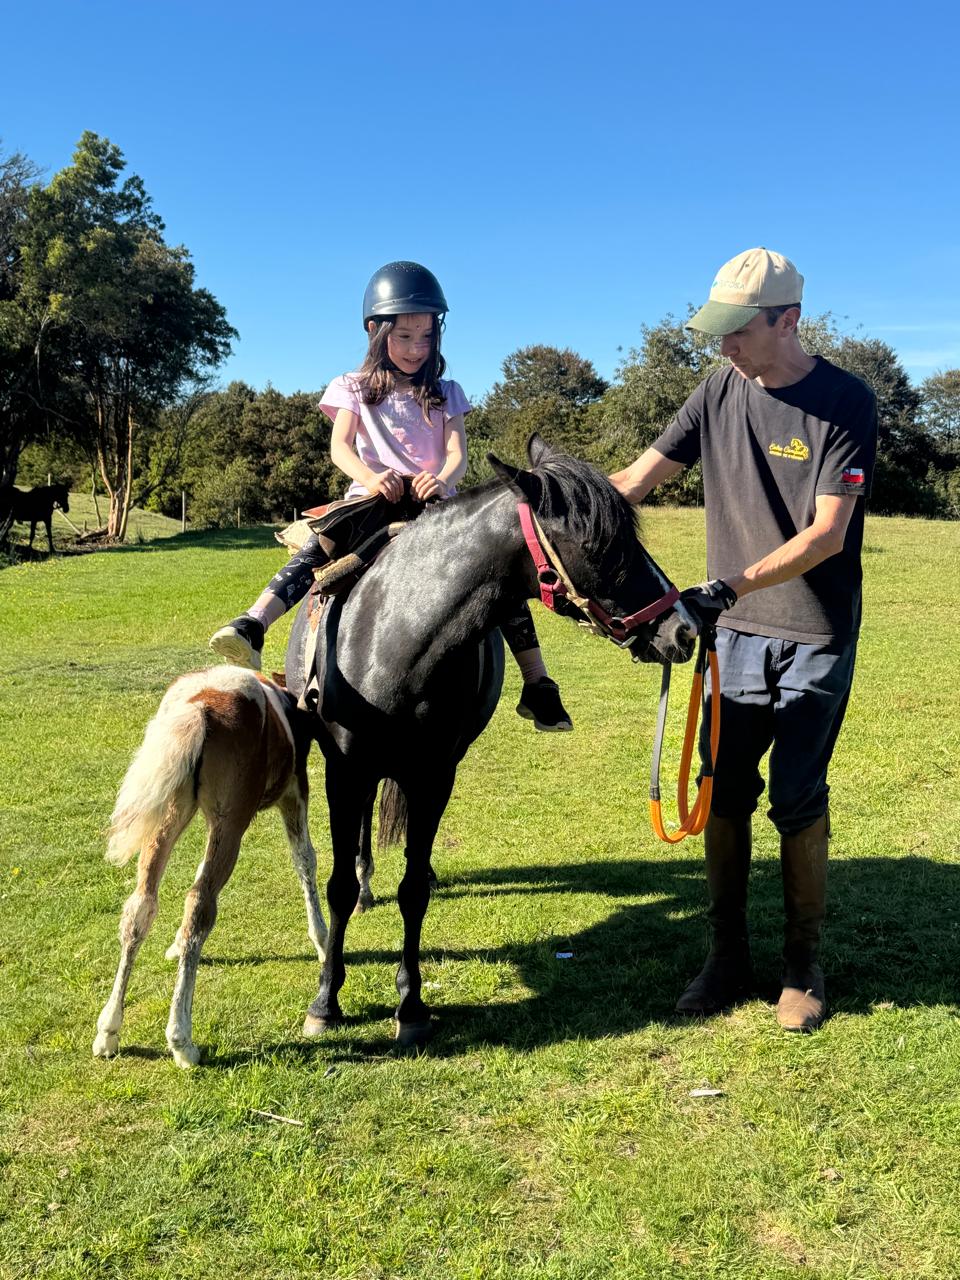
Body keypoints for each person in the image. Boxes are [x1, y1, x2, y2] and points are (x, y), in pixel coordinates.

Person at [610, 247, 878, 1031]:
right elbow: (634, 481)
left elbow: (828, 534)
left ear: (788, 320)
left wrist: (728, 586)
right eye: (718, 330)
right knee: (723, 792)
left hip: (813, 632)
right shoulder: (718, 388)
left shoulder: (845, 401)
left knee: (796, 797)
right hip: (733, 639)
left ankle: (802, 964)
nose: (724, 345)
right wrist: (545, 509)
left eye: (739, 330)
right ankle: (726, 956)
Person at [210, 260, 572, 731]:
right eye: (404, 336)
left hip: (434, 503)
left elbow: (457, 454)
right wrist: (371, 475)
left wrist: (441, 478)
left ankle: (538, 681)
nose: (416, 347)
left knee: (495, 566)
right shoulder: (352, 388)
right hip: (372, 499)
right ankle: (254, 623)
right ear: (375, 331)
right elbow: (340, 448)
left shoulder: (446, 392)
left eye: (426, 336)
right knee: (322, 544)